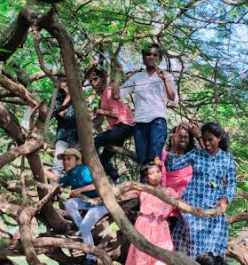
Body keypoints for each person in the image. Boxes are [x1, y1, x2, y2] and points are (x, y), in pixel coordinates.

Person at [165, 122, 236, 258]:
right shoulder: (196, 154)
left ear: (219, 138)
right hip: (191, 208)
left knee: (212, 253)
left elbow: (232, 184)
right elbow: (171, 165)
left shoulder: (227, 158)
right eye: (204, 140)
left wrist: (225, 199)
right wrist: (174, 146)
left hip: (213, 210)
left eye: (211, 140)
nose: (207, 143)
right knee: (190, 246)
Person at [115, 43, 177, 181]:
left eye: (155, 55)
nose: (151, 57)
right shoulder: (137, 77)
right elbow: (118, 94)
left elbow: (173, 98)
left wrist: (164, 79)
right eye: (148, 54)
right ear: (143, 58)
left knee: (154, 157)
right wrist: (117, 75)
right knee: (142, 160)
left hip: (157, 120)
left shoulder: (166, 75)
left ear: (159, 59)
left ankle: (156, 192)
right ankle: (144, 192)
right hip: (140, 122)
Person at [45, 148, 107, 265]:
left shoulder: (83, 170)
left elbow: (97, 184)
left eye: (69, 158)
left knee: (85, 226)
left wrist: (79, 190)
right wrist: (44, 171)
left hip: (101, 203)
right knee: (70, 203)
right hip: (88, 203)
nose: (65, 162)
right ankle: (82, 229)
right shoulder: (71, 174)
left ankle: (91, 258)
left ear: (78, 161)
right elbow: (59, 179)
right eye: (64, 159)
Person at [125, 162, 179, 265]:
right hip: (143, 226)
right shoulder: (142, 189)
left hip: (161, 228)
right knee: (141, 257)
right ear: (146, 177)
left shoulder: (169, 191)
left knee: (162, 258)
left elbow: (181, 203)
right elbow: (123, 194)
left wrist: (193, 209)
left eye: (158, 171)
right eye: (151, 173)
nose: (155, 175)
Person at [89, 68, 134, 182]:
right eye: (91, 81)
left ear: (103, 78)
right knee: (103, 160)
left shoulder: (108, 91)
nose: (93, 83)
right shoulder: (103, 95)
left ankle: (91, 174)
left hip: (124, 126)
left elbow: (116, 114)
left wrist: (98, 111)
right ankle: (118, 179)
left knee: (95, 141)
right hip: (119, 129)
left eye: (95, 79)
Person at [52, 76, 80, 177]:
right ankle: (53, 189)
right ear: (59, 83)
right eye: (64, 81)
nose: (66, 83)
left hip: (77, 137)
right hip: (63, 136)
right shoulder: (57, 97)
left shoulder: (77, 97)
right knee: (58, 164)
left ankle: (76, 191)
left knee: (76, 166)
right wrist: (68, 96)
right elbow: (61, 114)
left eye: (68, 81)